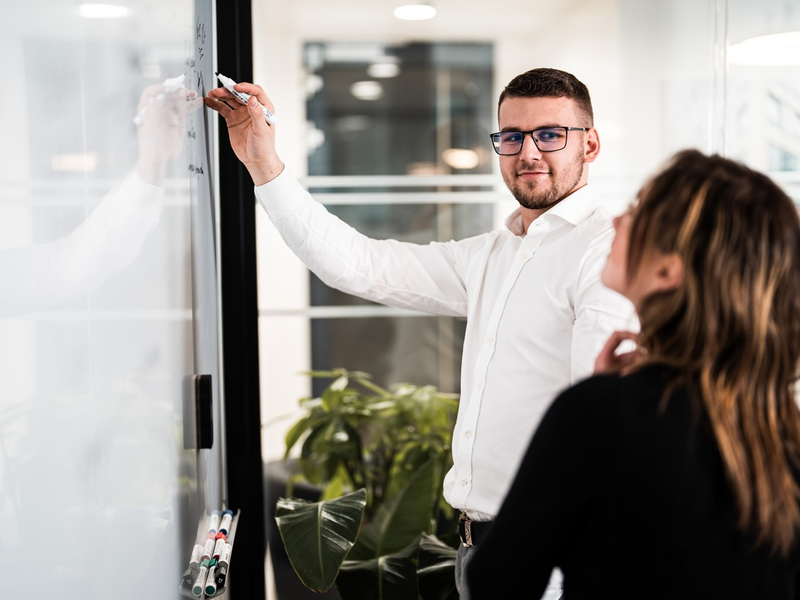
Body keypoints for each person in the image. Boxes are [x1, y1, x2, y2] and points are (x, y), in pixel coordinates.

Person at [204, 67, 636, 597]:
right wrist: (263, 162)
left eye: (550, 135)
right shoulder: (494, 255)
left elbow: (599, 425)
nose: (528, 153)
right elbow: (358, 264)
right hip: (477, 550)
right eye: (512, 137)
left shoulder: (606, 253)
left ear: (589, 144)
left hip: (548, 560)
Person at [467, 149, 800, 599]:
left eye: (639, 209)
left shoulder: (603, 414)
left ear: (667, 269)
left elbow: (497, 580)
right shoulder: (778, 426)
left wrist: (602, 402)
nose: (619, 219)